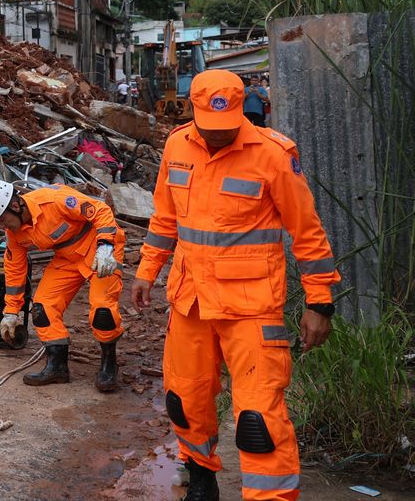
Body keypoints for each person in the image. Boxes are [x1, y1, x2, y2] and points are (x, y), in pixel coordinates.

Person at [131, 69, 339, 501]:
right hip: (190, 302)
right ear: (194, 112)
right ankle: (201, 479)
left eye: (226, 130)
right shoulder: (176, 145)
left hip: (251, 306)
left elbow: (308, 231)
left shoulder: (274, 154)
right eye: (209, 128)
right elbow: (165, 218)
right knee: (184, 401)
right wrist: (147, 270)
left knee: (258, 421)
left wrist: (320, 301)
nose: (218, 138)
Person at [0, 180, 125, 392]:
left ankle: (109, 363)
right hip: (67, 258)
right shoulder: (14, 234)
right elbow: (15, 269)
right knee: (42, 309)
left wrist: (106, 245)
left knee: (102, 311)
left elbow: (100, 210)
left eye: (2, 220)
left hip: (100, 249)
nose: (2, 227)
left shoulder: (54, 201)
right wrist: (11, 311)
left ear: (15, 206)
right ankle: (57, 366)